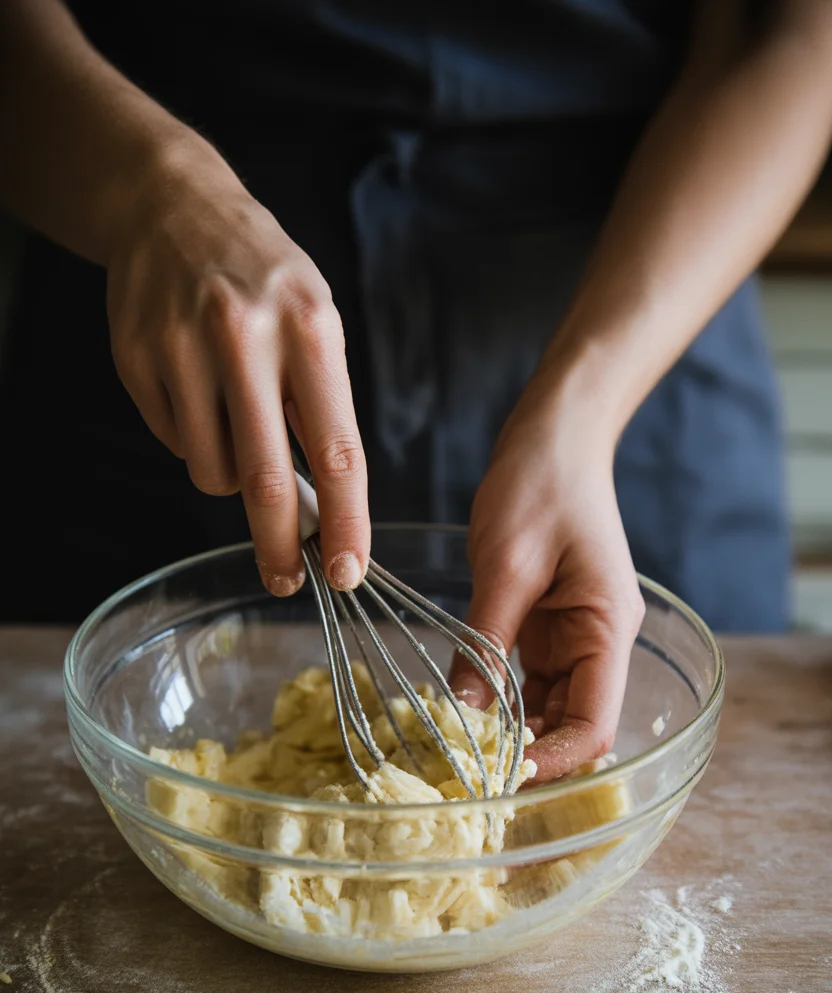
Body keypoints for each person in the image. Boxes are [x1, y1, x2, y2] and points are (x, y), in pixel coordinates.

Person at [1, 1, 831, 782]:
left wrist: (586, 410)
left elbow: (785, 32)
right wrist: (150, 188)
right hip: (172, 291)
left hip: (649, 294)